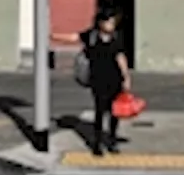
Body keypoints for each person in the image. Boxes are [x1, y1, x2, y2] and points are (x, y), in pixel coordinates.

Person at [52, 8, 131, 157]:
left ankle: (112, 141)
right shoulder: (91, 36)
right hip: (98, 80)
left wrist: (126, 77)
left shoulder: (116, 38)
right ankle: (97, 143)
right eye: (109, 22)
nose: (111, 25)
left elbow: (121, 57)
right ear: (101, 23)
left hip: (115, 78)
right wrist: (54, 36)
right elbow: (74, 37)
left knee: (114, 112)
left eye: (113, 23)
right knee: (100, 111)